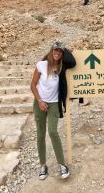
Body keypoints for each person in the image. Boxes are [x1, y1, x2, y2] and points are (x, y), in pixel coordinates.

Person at [30, 40, 76, 180]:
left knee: (53, 131)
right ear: (51, 51)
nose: (57, 53)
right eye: (55, 50)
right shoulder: (41, 65)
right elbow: (33, 85)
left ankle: (62, 164)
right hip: (40, 103)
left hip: (54, 104)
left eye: (60, 51)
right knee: (40, 134)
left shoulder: (62, 67)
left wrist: (65, 48)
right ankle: (43, 165)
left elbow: (73, 62)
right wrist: (39, 101)